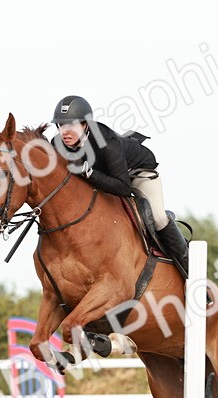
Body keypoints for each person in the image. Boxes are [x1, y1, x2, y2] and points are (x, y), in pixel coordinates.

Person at [50, 95, 191, 274]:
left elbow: (123, 188)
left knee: (158, 218)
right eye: (61, 125)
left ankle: (191, 272)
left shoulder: (107, 142)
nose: (65, 132)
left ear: (85, 125)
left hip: (137, 173)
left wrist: (89, 173)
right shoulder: (56, 144)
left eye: (71, 125)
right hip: (106, 177)